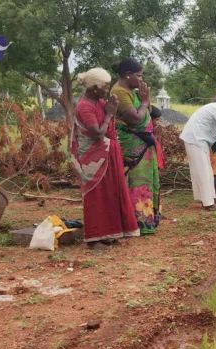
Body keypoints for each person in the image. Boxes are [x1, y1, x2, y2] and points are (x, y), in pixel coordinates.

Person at [70, 67, 139, 249]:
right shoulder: (85, 107)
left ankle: (109, 233)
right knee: (96, 196)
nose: (107, 90)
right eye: (105, 87)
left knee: (110, 194)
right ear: (94, 88)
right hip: (93, 158)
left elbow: (108, 129)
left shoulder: (100, 101)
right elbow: (97, 134)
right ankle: (94, 239)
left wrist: (110, 111)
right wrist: (110, 113)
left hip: (107, 154)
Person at [111, 58, 161, 235]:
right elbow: (135, 118)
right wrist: (145, 102)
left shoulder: (129, 91)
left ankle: (147, 218)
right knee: (137, 182)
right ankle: (138, 221)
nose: (141, 80)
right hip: (132, 144)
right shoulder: (119, 92)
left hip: (142, 143)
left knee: (145, 181)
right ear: (127, 75)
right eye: (139, 76)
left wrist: (145, 102)